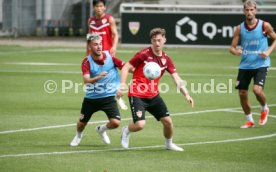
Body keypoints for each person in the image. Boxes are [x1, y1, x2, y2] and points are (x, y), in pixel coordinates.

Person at [117, 28, 194, 151]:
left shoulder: (166, 59)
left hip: (153, 96)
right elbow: (126, 67)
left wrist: (186, 94)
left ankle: (169, 144)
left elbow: (176, 78)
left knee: (168, 122)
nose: (157, 43)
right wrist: (122, 85)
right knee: (140, 125)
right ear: (151, 41)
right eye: (154, 40)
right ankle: (126, 130)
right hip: (137, 94)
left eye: (159, 40)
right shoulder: (143, 54)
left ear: (164, 40)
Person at [70, 33, 124, 146]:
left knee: (115, 123)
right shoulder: (86, 62)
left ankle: (101, 129)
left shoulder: (110, 57)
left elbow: (125, 67)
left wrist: (141, 71)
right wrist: (99, 77)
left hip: (108, 97)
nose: (99, 47)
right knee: (81, 124)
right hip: (91, 98)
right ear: (90, 46)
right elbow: (86, 80)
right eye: (95, 44)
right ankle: (78, 135)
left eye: (100, 44)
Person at [229, 0, 276, 128]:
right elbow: (232, 48)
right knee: (242, 93)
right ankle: (249, 120)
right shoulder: (239, 28)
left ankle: (264, 108)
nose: (249, 12)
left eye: (252, 10)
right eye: (247, 10)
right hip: (245, 65)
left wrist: (268, 51)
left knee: (256, 90)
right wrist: (236, 51)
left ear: (255, 10)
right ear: (244, 11)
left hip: (261, 63)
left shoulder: (264, 26)